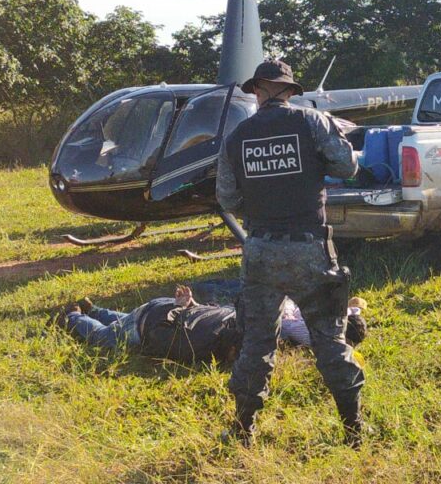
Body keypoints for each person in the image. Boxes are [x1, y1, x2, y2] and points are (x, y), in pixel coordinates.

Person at [217, 59, 365, 447]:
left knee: (257, 342)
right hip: (309, 247)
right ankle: (353, 430)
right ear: (289, 91)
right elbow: (347, 166)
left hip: (260, 250)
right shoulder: (312, 122)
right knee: (329, 338)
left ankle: (244, 430)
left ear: (258, 90)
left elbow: (227, 198)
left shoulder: (237, 137)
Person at [60, 285, 242, 366]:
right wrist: (144, 351)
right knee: (104, 336)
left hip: (162, 305)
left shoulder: (234, 316)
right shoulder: (202, 346)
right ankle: (72, 316)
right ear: (232, 350)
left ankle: (93, 310)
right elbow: (159, 338)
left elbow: (208, 310)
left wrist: (187, 306)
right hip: (149, 320)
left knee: (126, 319)